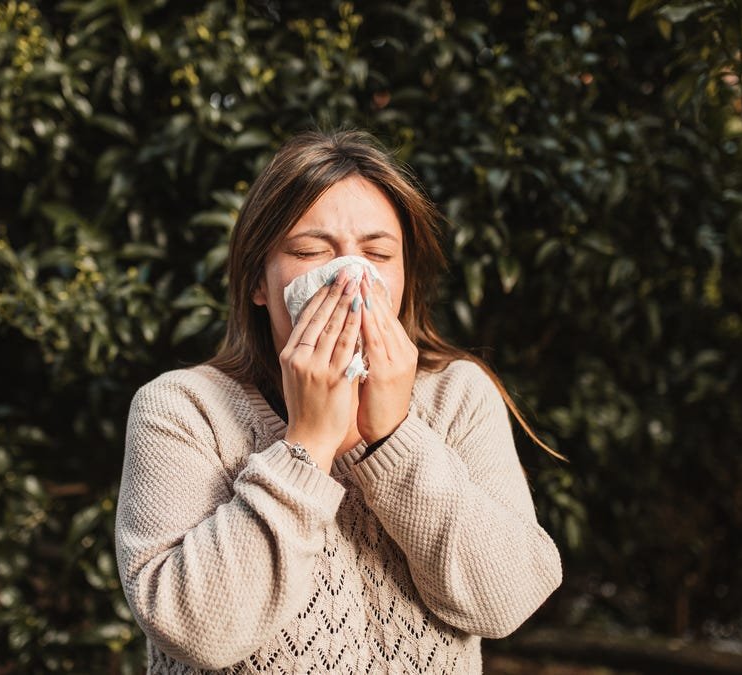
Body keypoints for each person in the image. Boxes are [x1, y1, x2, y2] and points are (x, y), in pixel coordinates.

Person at [115, 129, 563, 673]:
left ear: (402, 277)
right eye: (309, 251)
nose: (351, 278)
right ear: (259, 280)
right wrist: (308, 444)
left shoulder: (458, 397)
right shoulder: (182, 410)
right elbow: (195, 631)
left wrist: (395, 437)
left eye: (377, 254)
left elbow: (507, 601)